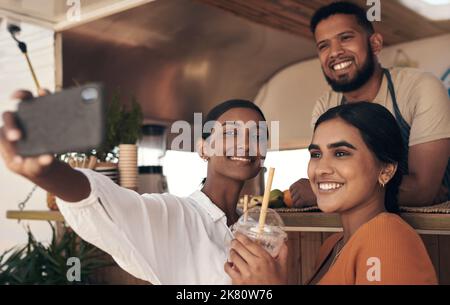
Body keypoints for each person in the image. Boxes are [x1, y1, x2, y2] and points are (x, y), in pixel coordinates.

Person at [0, 90, 272, 284]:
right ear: (203, 148)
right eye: (230, 132)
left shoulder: (254, 226)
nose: (246, 143)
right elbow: (112, 206)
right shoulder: (178, 215)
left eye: (258, 135)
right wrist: (49, 173)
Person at [226, 102, 437, 285]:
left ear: (386, 170)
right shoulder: (332, 245)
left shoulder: (386, 236)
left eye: (341, 153)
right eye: (316, 154)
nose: (321, 169)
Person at [290, 1, 450, 208]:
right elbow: (326, 173)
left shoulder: (421, 88)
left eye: (345, 38)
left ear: (375, 43)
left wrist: (322, 191)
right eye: (324, 45)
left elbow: (422, 192)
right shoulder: (325, 106)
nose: (335, 52)